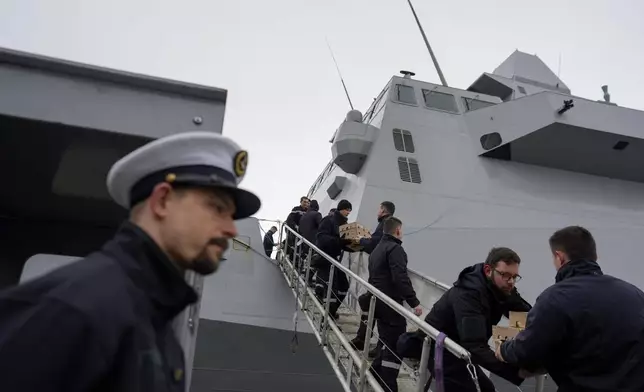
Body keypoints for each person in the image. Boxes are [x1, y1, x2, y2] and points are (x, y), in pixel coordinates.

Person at [0, 132, 261, 392]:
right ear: (162, 201)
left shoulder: (156, 326)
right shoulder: (78, 308)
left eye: (232, 216)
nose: (231, 230)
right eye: (217, 208)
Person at [497, 226, 644, 391]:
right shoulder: (636, 295)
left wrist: (504, 348)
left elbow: (528, 351)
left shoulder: (555, 298)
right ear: (595, 257)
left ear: (559, 257)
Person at [415, 247, 532, 391]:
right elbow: (475, 346)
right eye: (506, 275)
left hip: (462, 348)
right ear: (489, 270)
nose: (511, 282)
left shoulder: (501, 287)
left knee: (486, 389)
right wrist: (517, 372)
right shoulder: (469, 295)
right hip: (441, 348)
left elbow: (521, 311)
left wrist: (545, 326)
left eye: (515, 277)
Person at [365, 217, 422, 392]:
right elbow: (400, 277)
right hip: (391, 305)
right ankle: (388, 386)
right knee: (395, 345)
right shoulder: (395, 249)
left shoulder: (376, 251)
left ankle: (373, 373)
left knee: (386, 340)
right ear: (397, 230)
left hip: (379, 302)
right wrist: (414, 302)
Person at [351, 201, 396, 356]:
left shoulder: (385, 224)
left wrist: (361, 240)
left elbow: (374, 243)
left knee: (373, 306)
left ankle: (370, 343)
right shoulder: (386, 225)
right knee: (369, 304)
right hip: (378, 275)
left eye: (379, 209)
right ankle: (363, 338)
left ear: (383, 211)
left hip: (380, 277)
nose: (377, 211)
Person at [313, 199, 353, 319]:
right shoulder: (328, 220)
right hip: (325, 258)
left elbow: (343, 244)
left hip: (335, 260)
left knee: (343, 286)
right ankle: (326, 320)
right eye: (347, 210)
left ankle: (331, 311)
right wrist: (339, 241)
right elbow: (321, 238)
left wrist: (356, 247)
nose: (348, 213)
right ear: (341, 208)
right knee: (331, 289)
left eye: (350, 211)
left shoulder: (345, 226)